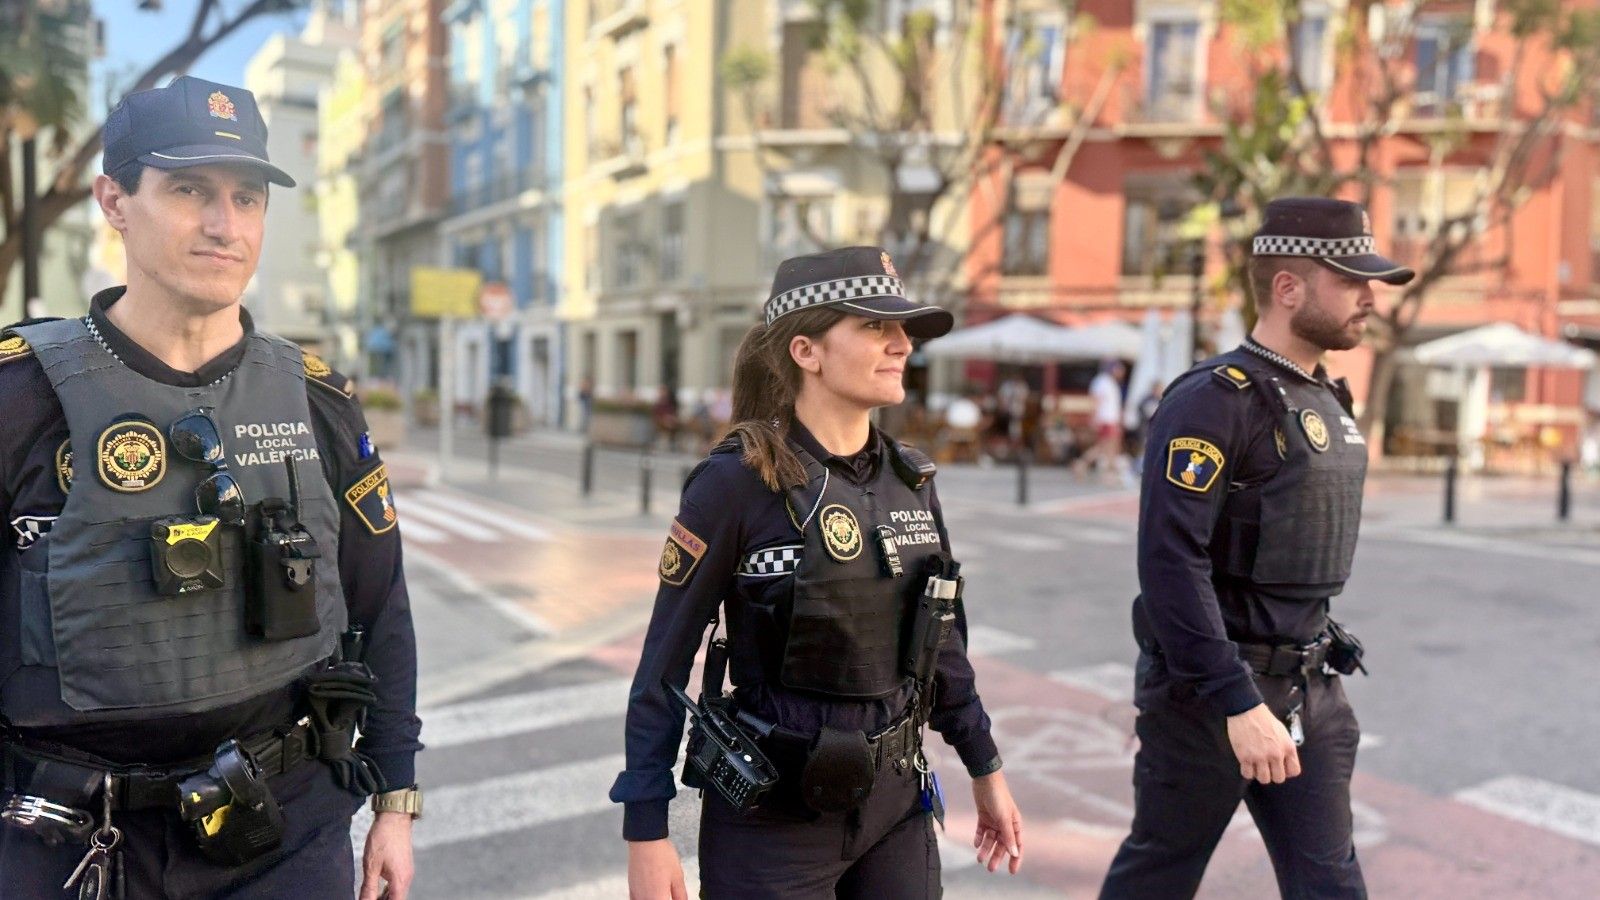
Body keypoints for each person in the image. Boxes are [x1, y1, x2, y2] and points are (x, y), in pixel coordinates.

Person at [0, 77, 423, 899]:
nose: (225, 225)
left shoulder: (320, 401)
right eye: (189, 190)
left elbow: (382, 609)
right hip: (68, 846)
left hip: (285, 835)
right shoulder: (20, 398)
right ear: (114, 201)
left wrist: (396, 800)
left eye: (247, 197)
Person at [613, 247, 1024, 899]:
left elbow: (940, 643)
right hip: (771, 826)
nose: (902, 345)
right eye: (874, 326)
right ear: (806, 351)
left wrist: (985, 766)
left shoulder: (911, 480)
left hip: (896, 809)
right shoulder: (736, 483)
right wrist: (646, 829)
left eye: (903, 330)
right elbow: (663, 664)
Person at [1099, 198, 1415, 899]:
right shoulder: (1212, 400)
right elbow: (1170, 563)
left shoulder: (1326, 397)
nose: (1370, 297)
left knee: (1331, 885)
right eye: (1351, 281)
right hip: (1211, 697)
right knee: (1159, 876)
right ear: (1288, 287)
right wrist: (1238, 703)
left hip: (1311, 687)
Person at [1075, 360, 1129, 480]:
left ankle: (1083, 465)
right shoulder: (1102, 382)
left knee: (1107, 447)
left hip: (1111, 419)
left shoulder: (1110, 382)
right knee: (1108, 447)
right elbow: (1096, 400)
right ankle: (1104, 471)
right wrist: (1094, 417)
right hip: (1106, 419)